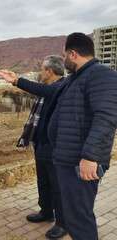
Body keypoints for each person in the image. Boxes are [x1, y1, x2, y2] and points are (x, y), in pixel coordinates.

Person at [43, 32, 117, 240]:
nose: (63, 60)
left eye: (64, 55)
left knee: (79, 218)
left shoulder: (101, 75)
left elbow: (107, 116)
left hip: (81, 162)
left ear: (73, 54)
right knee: (73, 215)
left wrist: (91, 157)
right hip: (67, 159)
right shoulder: (76, 78)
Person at [0, 55, 67, 239]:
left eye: (42, 69)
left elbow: (40, 89)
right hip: (41, 143)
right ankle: (46, 211)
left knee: (57, 185)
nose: (40, 73)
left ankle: (62, 223)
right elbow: (41, 91)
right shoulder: (49, 88)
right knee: (43, 181)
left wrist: (16, 81)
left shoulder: (61, 87)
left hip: (55, 146)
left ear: (49, 71)